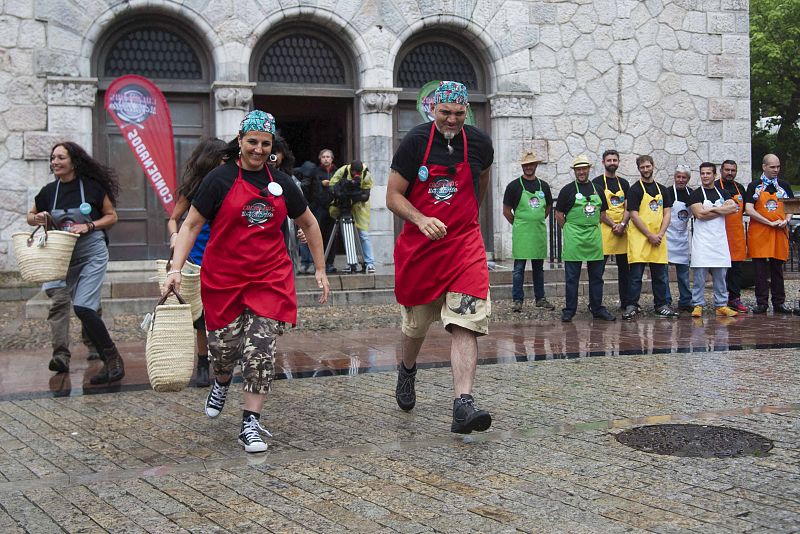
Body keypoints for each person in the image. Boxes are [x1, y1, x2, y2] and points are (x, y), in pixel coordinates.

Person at [163, 110, 331, 453]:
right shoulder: (218, 179)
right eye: (251, 142)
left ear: (272, 147)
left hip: (270, 279)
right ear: (239, 142)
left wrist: (320, 269)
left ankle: (250, 423)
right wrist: (175, 269)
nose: (257, 149)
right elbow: (191, 225)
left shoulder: (283, 182)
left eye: (264, 143)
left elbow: (310, 224)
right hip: (223, 279)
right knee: (224, 351)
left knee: (261, 350)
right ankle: (221, 380)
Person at [386, 81, 494, 434]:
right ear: (432, 109)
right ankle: (407, 369)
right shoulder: (415, 142)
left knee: (466, 321)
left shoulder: (479, 143)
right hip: (422, 250)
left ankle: (463, 404)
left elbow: (480, 184)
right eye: (445, 113)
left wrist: (464, 219)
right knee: (415, 326)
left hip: (464, 245)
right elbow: (392, 196)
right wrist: (420, 218)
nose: (452, 120)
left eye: (459, 114)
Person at [27, 142, 124, 383]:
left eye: (60, 157)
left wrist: (90, 225)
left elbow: (112, 216)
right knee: (79, 308)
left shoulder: (92, 188)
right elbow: (30, 216)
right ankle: (107, 363)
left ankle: (113, 360)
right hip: (63, 257)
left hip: (92, 252)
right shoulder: (49, 191)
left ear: (73, 161)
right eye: (52, 158)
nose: (55, 162)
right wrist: (37, 218)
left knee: (83, 307)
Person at [167, 138, 228, 387]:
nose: (227, 162)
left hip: (225, 259)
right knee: (200, 318)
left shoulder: (230, 183)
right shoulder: (194, 188)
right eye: (222, 158)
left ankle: (224, 359)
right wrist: (174, 236)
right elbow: (175, 219)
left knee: (224, 315)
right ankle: (203, 363)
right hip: (197, 259)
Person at [554, 155, 615, 322]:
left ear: (589, 169)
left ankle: (597, 308)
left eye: (584, 168)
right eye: (578, 169)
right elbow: (559, 214)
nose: (581, 172)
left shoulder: (598, 189)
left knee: (596, 276)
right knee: (572, 277)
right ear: (574, 171)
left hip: (594, 237)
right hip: (574, 237)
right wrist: (567, 229)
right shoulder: (567, 190)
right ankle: (569, 310)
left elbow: (602, 214)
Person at [622, 155, 678, 320]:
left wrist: (660, 234)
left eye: (648, 166)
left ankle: (661, 305)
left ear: (653, 166)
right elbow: (633, 214)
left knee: (660, 275)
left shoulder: (662, 189)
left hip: (658, 238)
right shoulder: (634, 190)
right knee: (635, 276)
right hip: (640, 239)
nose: (645, 170)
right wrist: (649, 235)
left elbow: (667, 212)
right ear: (638, 169)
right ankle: (632, 305)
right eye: (642, 167)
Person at [502, 150, 554, 312]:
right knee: (518, 268)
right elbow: (506, 211)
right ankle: (517, 300)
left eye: (531, 164)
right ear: (522, 166)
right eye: (526, 165)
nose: (528, 167)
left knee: (539, 268)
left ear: (536, 165)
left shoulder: (543, 186)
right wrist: (519, 223)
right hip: (522, 233)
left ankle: (540, 298)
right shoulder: (514, 186)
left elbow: (548, 207)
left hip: (538, 232)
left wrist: (536, 219)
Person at [744, 153, 795, 314]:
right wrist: (768, 222)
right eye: (772, 167)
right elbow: (749, 209)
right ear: (764, 167)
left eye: (778, 166)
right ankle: (762, 303)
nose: (776, 170)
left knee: (777, 269)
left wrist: (786, 220)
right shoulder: (754, 186)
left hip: (779, 233)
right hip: (760, 233)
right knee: (760, 270)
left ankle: (779, 303)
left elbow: (791, 207)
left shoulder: (784, 185)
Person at [687, 162, 739, 317]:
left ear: (714, 175)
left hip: (719, 240)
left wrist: (711, 209)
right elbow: (700, 214)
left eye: (708, 173)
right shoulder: (695, 194)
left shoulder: (723, 192)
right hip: (702, 240)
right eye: (702, 173)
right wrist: (721, 210)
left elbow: (733, 208)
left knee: (721, 275)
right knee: (699, 275)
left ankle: (721, 305)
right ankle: (697, 304)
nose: (705, 176)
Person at [592, 149, 632, 311]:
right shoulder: (596, 183)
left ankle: (626, 302)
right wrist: (613, 224)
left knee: (625, 271)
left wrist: (622, 224)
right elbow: (597, 209)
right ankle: (596, 304)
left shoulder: (624, 183)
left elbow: (628, 207)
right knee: (597, 271)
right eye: (609, 160)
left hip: (622, 231)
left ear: (618, 162)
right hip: (604, 230)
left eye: (615, 160)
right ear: (603, 163)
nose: (612, 163)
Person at [328, 160, 375, 273]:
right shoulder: (342, 171)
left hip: (359, 207)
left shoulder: (366, 174)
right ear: (351, 170)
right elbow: (332, 185)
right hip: (344, 207)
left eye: (358, 173)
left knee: (363, 234)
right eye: (354, 172)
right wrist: (340, 193)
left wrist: (356, 196)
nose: (356, 175)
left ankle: (369, 263)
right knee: (347, 235)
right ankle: (351, 262)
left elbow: (366, 195)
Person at [43, 282, 101, 372]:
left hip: (85, 274)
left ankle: (94, 344)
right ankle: (60, 355)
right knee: (60, 303)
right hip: (57, 275)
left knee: (90, 305)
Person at [715, 160, 749, 312]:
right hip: (720, 233)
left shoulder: (740, 188)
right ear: (721, 170)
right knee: (721, 270)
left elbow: (745, 210)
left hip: (737, 234)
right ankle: (720, 300)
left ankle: (735, 298)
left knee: (737, 269)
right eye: (727, 170)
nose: (730, 173)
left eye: (733, 170)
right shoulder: (715, 187)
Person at [664, 165, 693, 313]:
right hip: (668, 236)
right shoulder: (667, 192)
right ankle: (666, 300)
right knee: (664, 274)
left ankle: (685, 301)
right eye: (678, 177)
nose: (681, 180)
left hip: (682, 237)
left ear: (688, 179)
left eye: (684, 177)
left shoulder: (692, 194)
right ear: (674, 178)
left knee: (683, 274)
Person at [314, 148, 338, 273]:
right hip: (319, 207)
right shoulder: (316, 172)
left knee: (332, 236)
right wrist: (321, 185)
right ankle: (318, 263)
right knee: (318, 235)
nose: (326, 159)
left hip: (333, 206)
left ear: (332, 159)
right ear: (320, 159)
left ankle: (330, 263)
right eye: (323, 157)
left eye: (328, 157)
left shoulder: (337, 171)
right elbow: (312, 188)